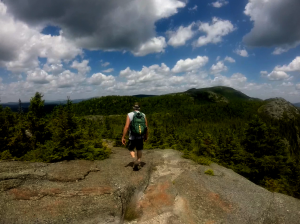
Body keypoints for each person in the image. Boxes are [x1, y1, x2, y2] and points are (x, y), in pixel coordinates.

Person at [122, 102, 148, 168]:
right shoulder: (143, 115)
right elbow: (146, 127)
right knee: (139, 149)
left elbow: (127, 126)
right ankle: (138, 161)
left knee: (131, 148)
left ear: (133, 108)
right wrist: (146, 136)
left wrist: (123, 137)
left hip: (132, 136)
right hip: (140, 135)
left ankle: (134, 159)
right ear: (139, 108)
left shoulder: (130, 114)